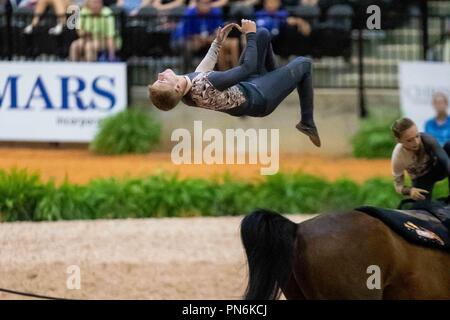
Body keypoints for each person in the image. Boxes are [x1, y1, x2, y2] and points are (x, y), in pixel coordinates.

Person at [149, 20, 321, 147]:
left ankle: (277, 79)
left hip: (248, 87)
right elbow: (248, 68)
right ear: (177, 88)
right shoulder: (208, 84)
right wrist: (249, 35)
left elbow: (200, 73)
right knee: (304, 63)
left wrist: (217, 43)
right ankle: (307, 122)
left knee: (263, 34)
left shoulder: (187, 92)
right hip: (260, 98)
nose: (160, 74)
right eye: (162, 80)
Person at [391, 117, 450, 201]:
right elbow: (398, 186)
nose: (416, 142)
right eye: (409, 140)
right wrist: (410, 191)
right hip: (421, 180)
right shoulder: (398, 156)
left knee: (449, 145)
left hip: (437, 169)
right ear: (398, 140)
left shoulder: (427, 139)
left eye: (417, 136)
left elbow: (445, 161)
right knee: (421, 209)